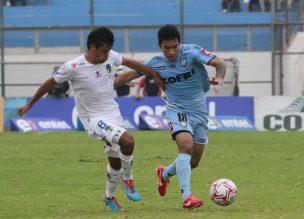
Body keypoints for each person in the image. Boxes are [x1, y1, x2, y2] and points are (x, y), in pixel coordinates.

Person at [17, 27, 164, 212]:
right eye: (103, 50)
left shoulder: (111, 56)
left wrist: (155, 75)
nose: (107, 54)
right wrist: (31, 104)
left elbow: (133, 63)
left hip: (113, 114)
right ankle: (128, 180)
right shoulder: (73, 67)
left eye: (109, 50)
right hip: (93, 119)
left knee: (115, 159)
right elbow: (50, 82)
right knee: (128, 140)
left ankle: (108, 197)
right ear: (92, 47)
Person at [114, 24, 227, 210]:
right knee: (186, 146)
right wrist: (104, 85)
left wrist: (220, 76)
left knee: (193, 162)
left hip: (199, 111)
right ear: (159, 45)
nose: (172, 51)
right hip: (176, 109)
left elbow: (220, 63)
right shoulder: (154, 63)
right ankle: (187, 195)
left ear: (179, 43)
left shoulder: (192, 52)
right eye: (167, 48)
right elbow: (129, 75)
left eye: (175, 46)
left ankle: (165, 173)